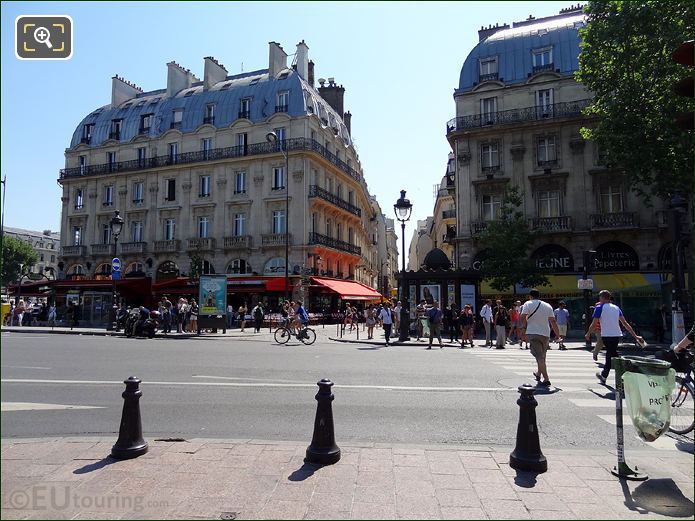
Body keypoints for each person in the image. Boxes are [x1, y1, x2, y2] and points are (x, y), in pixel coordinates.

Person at [586, 290, 644, 385]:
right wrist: (635, 335)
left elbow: (594, 322)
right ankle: (608, 375)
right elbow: (625, 323)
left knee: (611, 354)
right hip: (616, 335)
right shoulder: (616, 308)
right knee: (612, 354)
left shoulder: (599, 307)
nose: (599, 300)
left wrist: (588, 333)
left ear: (602, 298)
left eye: (600, 298)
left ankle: (626, 370)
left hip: (606, 335)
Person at [520, 289, 562, 388]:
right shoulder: (547, 305)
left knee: (539, 357)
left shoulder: (528, 304)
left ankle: (546, 379)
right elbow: (553, 321)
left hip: (533, 332)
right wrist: (558, 335)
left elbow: (523, 316)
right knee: (542, 356)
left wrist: (524, 328)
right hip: (545, 333)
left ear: (530, 296)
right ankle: (538, 374)